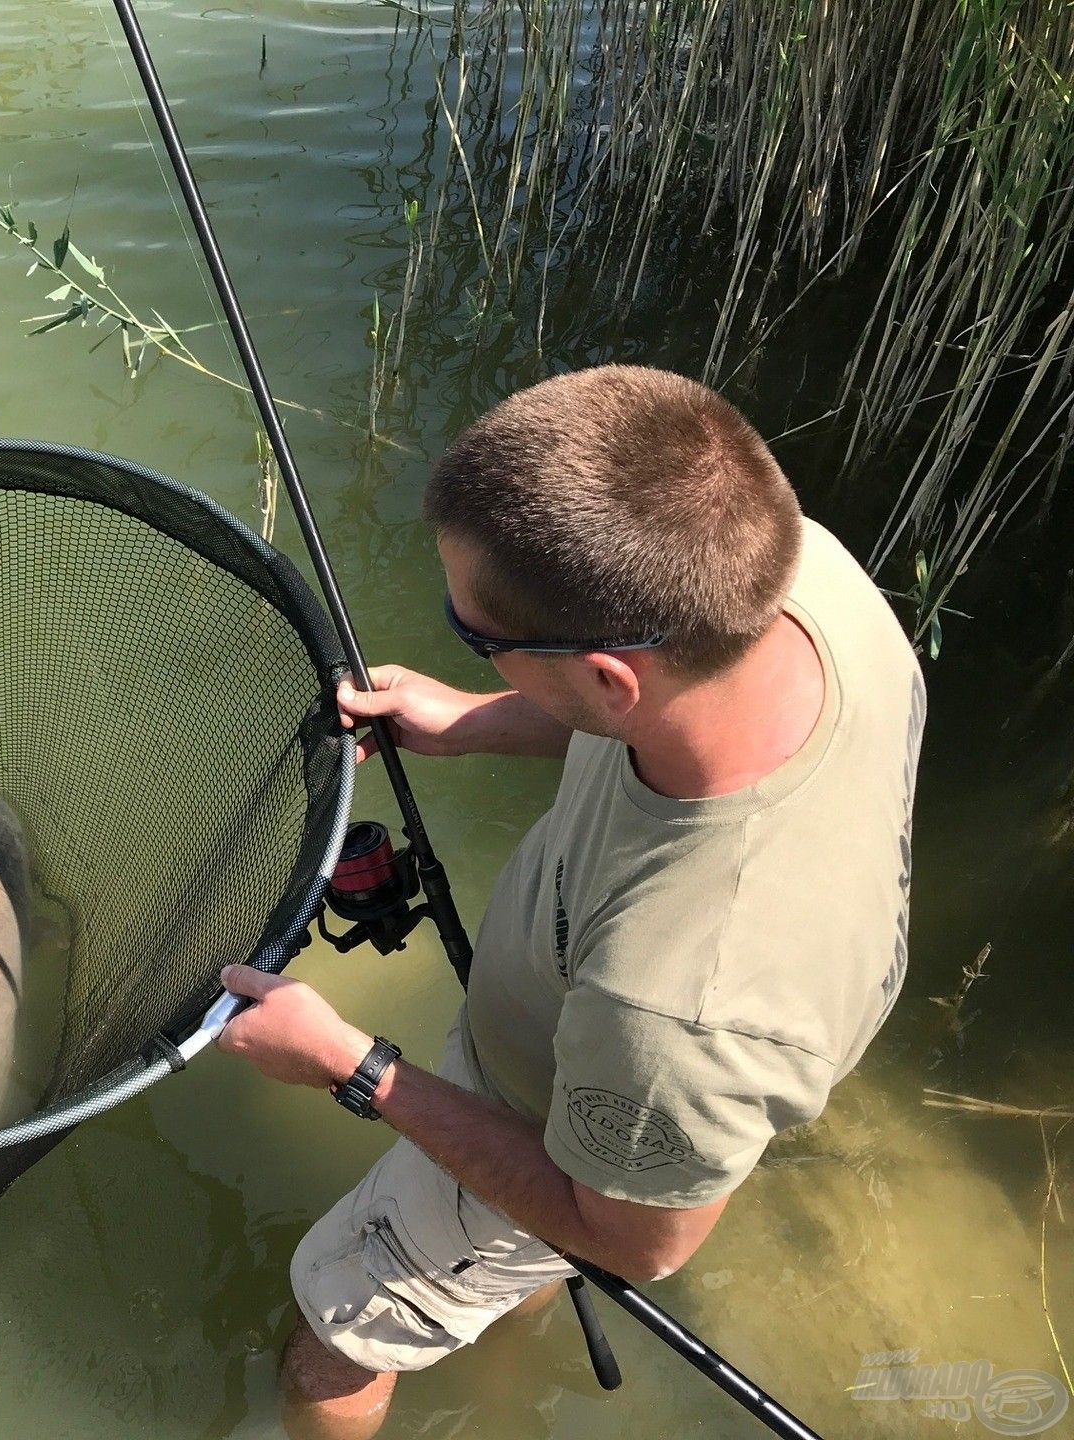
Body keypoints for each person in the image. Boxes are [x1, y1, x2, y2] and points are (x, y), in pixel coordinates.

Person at [214, 364, 926, 1440]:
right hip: (611, 1070)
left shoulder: (682, 1011)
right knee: (514, 1262)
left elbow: (634, 1241)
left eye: (477, 636)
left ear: (606, 678)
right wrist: (470, 712)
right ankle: (508, 1346)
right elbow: (652, 707)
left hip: (583, 1115)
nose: (462, 637)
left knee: (335, 1337)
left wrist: (351, 1066)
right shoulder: (793, 571)